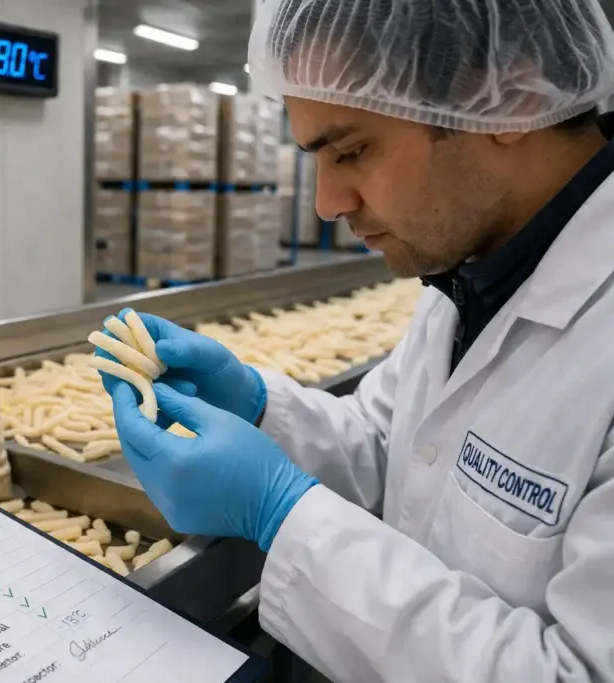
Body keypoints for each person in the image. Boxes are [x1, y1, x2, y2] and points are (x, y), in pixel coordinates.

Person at [97, 1, 614, 681]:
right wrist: (257, 406)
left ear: (511, 98)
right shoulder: (474, 267)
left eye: (352, 151)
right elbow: (393, 446)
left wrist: (278, 511)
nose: (326, 204)